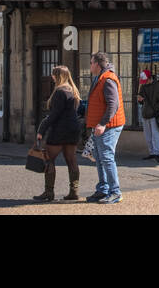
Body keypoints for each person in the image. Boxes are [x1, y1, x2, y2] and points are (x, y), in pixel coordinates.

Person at [34, 65, 83, 201]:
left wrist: (41, 130)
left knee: (49, 160)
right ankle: (74, 192)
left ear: (58, 76)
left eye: (53, 74)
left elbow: (54, 115)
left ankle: (49, 193)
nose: (52, 76)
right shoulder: (73, 91)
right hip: (73, 130)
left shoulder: (60, 92)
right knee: (71, 160)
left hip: (60, 130)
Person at [84, 51, 125, 204]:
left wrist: (102, 124)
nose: (90, 65)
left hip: (109, 126)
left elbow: (114, 104)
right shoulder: (100, 78)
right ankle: (103, 189)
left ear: (97, 64)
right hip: (100, 126)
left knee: (106, 158)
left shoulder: (108, 79)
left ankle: (115, 192)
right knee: (100, 158)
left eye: (91, 62)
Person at [137, 69, 159, 162]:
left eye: (145, 81)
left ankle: (156, 153)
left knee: (155, 135)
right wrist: (140, 100)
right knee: (147, 135)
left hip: (153, 114)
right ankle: (151, 152)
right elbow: (141, 100)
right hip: (145, 113)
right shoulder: (143, 87)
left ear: (150, 78)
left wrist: (155, 110)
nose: (144, 83)